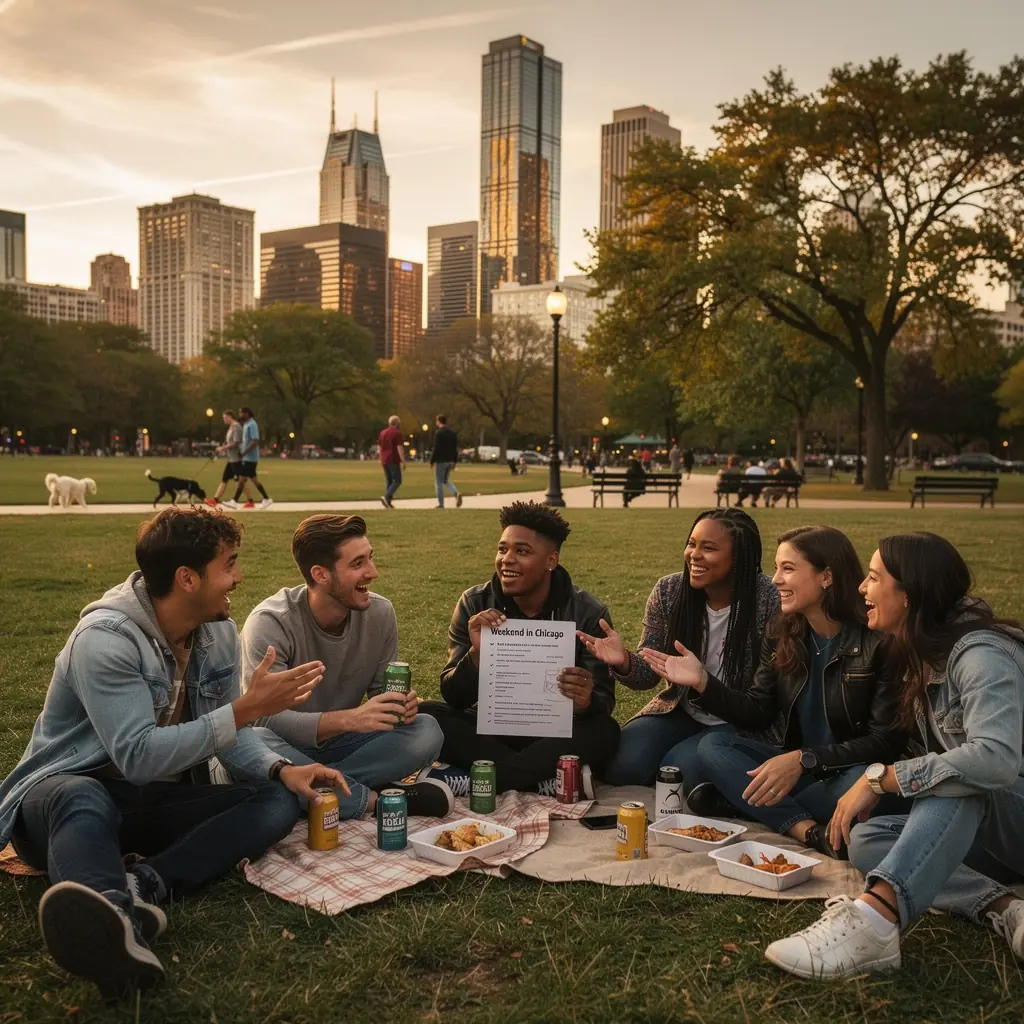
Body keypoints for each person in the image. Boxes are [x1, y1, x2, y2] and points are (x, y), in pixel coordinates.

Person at [0, 507, 344, 999]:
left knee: (274, 800)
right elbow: (137, 755)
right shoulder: (104, 641)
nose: (239, 577)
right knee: (82, 795)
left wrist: (281, 768)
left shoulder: (218, 632)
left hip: (149, 805)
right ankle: (114, 926)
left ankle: (145, 885)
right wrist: (245, 710)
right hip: (59, 807)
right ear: (187, 578)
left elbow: (228, 731)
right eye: (229, 564)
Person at [764, 532, 1024, 979]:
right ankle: (1004, 907)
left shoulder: (981, 655)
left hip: (1009, 812)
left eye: (872, 578)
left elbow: (995, 761)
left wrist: (879, 779)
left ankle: (874, 922)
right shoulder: (920, 653)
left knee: (959, 776)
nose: (862, 589)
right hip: (993, 835)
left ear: (909, 594)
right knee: (867, 839)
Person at [647, 526, 903, 858]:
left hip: (845, 770)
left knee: (865, 783)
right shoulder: (784, 631)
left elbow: (884, 742)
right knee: (713, 746)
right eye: (777, 568)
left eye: (788, 569)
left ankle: (741, 803)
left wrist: (805, 759)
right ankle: (807, 830)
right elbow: (758, 711)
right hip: (795, 771)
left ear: (826, 577)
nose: (775, 580)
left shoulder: (876, 641)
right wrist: (703, 683)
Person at [234, 515, 452, 819]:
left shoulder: (380, 613)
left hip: (341, 746)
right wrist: (350, 719)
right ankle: (372, 801)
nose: (373, 572)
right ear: (321, 574)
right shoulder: (271, 623)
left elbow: (383, 696)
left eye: (370, 559)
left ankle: (315, 790)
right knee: (251, 740)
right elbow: (263, 719)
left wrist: (400, 706)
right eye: (358, 564)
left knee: (426, 729)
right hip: (282, 746)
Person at [419, 502, 620, 796]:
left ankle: (486, 778)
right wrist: (476, 657)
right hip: (488, 728)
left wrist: (586, 700)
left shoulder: (588, 612)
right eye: (502, 549)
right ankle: (543, 780)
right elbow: (454, 696)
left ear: (551, 560)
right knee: (427, 715)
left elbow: (604, 700)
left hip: (554, 732)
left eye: (522, 551)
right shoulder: (475, 603)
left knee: (606, 731)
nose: (506, 560)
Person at [586, 508, 779, 790]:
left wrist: (705, 684)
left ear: (739, 557)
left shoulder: (768, 600)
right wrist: (624, 661)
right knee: (622, 766)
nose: (694, 555)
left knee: (677, 773)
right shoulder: (669, 591)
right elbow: (649, 676)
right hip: (682, 710)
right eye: (692, 544)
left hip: (742, 720)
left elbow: (762, 706)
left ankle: (719, 782)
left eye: (709, 548)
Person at [229, 407, 272, 509]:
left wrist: (243, 453)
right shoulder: (246, 424)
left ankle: (234, 501)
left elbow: (254, 441)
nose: (240, 415)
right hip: (248, 458)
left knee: (241, 479)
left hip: (250, 458)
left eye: (241, 413)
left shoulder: (252, 424)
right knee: (254, 480)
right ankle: (266, 499)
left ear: (247, 413)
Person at [207, 410, 243, 508]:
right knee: (225, 479)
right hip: (231, 459)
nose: (224, 420)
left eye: (225, 418)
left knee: (241, 480)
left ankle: (250, 500)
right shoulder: (231, 427)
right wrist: (222, 448)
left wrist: (223, 448)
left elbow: (236, 442)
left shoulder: (236, 427)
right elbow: (229, 441)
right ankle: (215, 499)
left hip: (236, 459)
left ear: (229, 417)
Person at [430, 415, 462, 509]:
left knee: (438, 482)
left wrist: (432, 460)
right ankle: (456, 493)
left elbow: (436, 448)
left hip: (441, 460)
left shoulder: (438, 433)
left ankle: (441, 504)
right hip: (450, 460)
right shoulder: (452, 433)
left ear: (438, 421)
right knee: (445, 480)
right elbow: (455, 448)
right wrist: (455, 461)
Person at [378, 415, 405, 508]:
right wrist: (403, 461)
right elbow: (399, 447)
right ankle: (387, 497)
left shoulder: (383, 432)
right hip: (393, 459)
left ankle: (388, 502)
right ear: (397, 423)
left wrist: (380, 458)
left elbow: (380, 447)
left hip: (384, 459)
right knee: (397, 480)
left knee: (389, 481)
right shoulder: (397, 433)